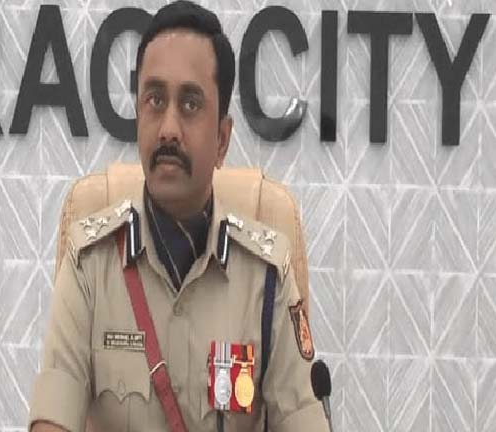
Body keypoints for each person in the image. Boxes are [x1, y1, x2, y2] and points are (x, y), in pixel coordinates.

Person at [28, 1, 328, 431]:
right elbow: (52, 420)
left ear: (222, 140)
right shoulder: (90, 261)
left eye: (189, 104)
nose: (168, 128)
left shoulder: (267, 276)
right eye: (154, 100)